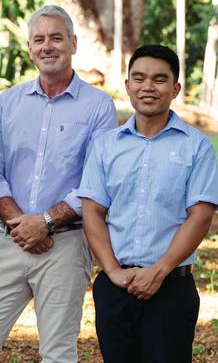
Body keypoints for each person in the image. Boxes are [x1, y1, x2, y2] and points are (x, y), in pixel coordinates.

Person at [0, 5, 118, 362]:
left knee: (58, 354)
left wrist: (44, 221)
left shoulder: (98, 107)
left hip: (66, 244)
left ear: (73, 44)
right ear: (30, 48)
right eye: (39, 39)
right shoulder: (8, 102)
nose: (48, 46)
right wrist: (22, 224)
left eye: (56, 38)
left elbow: (97, 182)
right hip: (9, 240)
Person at [79, 44, 218, 363]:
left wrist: (159, 270)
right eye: (139, 78)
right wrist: (112, 271)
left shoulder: (196, 147)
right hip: (116, 288)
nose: (148, 87)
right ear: (127, 85)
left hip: (172, 289)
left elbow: (200, 216)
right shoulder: (106, 146)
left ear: (175, 88)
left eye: (159, 79)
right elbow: (93, 211)